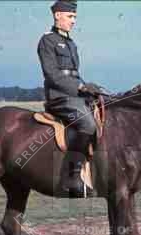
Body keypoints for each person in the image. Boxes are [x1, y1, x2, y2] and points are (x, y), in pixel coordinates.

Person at [37, 0, 98, 197]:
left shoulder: (71, 43)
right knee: (88, 124)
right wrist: (79, 87)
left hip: (75, 95)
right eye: (70, 16)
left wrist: (89, 88)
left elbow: (73, 73)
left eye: (75, 17)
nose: (74, 21)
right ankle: (71, 177)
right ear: (57, 15)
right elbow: (52, 75)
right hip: (59, 97)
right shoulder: (47, 41)